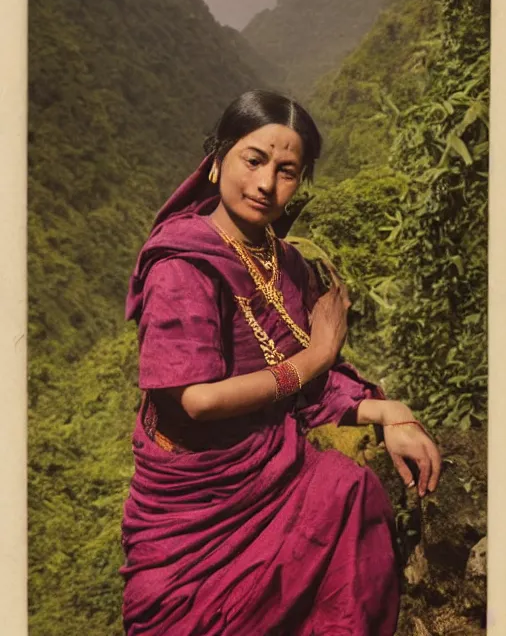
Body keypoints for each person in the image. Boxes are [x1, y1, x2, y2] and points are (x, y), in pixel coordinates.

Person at [120, 89, 441, 635]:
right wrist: (317, 354)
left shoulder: (287, 263)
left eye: (288, 170)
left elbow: (313, 392)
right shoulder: (182, 263)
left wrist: (392, 413)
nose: (267, 183)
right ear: (218, 159)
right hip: (193, 504)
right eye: (254, 160)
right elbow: (194, 399)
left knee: (350, 492)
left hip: (273, 471)